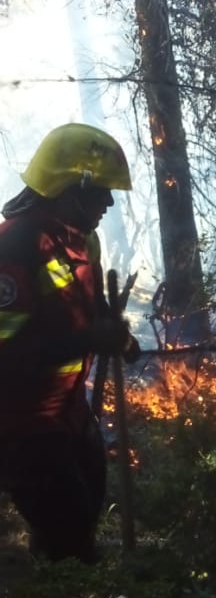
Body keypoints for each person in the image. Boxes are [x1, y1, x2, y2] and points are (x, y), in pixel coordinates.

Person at [0, 123, 139, 563]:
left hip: (68, 411)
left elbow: (91, 303)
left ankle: (61, 572)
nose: (109, 203)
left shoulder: (82, 242)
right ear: (70, 187)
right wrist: (88, 339)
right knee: (68, 525)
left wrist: (117, 337)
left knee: (90, 494)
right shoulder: (15, 247)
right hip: (21, 423)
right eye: (101, 192)